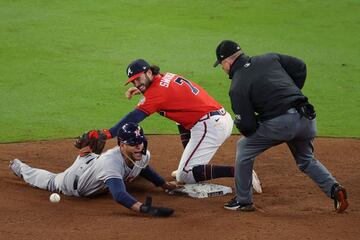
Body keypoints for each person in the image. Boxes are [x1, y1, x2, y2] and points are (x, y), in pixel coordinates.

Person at [74, 59, 262, 192]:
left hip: (210, 126)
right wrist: (142, 92)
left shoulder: (156, 95)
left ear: (149, 72)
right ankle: (190, 165)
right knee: (180, 123)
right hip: (215, 118)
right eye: (134, 81)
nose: (137, 84)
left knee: (185, 176)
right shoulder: (164, 78)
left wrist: (107, 133)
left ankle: (239, 171)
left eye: (139, 79)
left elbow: (133, 118)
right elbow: (164, 94)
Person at [213, 40, 349, 213]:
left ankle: (243, 200)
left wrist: (263, 117)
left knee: (244, 147)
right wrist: (289, 93)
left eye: (222, 65)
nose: (223, 69)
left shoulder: (238, 85)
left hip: (281, 124)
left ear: (227, 62)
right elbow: (300, 67)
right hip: (307, 117)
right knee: (306, 159)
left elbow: (248, 127)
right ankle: (334, 189)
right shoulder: (270, 58)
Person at [9, 123, 176, 217]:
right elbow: (118, 194)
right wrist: (144, 208)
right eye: (134, 143)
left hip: (94, 162)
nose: (139, 146)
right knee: (50, 181)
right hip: (74, 181)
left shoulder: (142, 154)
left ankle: (88, 152)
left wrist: (164, 185)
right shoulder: (111, 163)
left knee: (110, 161)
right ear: (122, 145)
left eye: (141, 141)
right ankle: (20, 168)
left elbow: (144, 168)